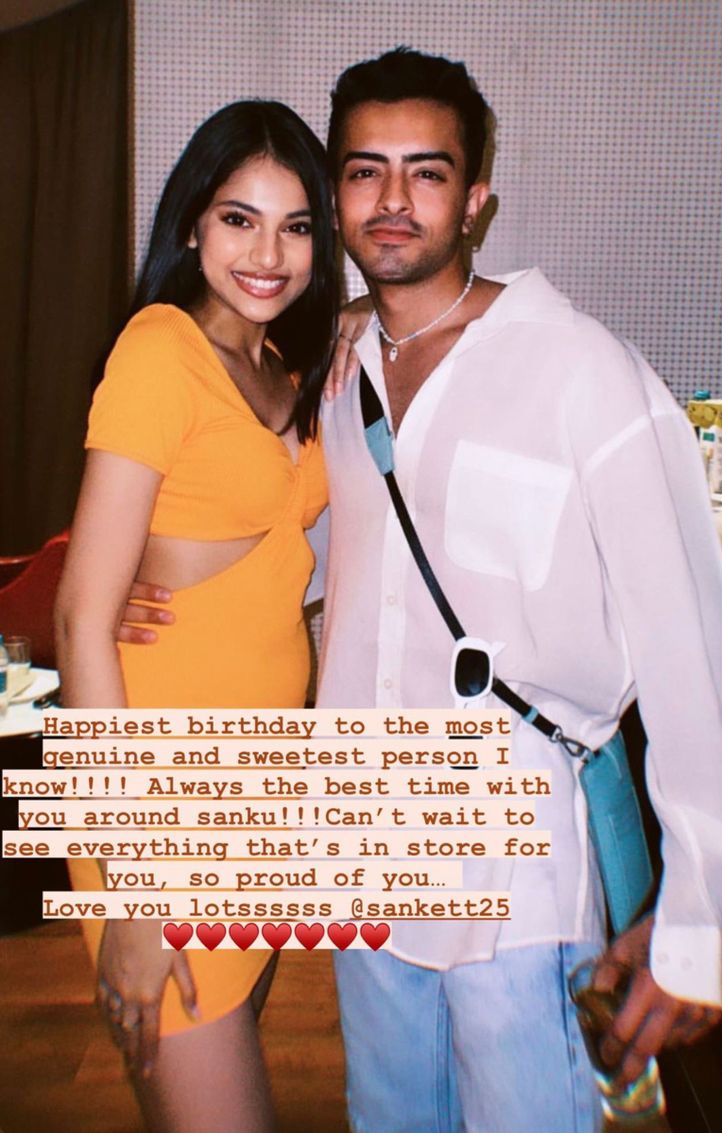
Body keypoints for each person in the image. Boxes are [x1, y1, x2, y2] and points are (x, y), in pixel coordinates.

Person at [124, 49, 722, 1133]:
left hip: (522, 872)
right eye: (363, 172)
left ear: (477, 199)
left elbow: (695, 651)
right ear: (334, 198)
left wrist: (700, 917)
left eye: (427, 172)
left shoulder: (582, 372)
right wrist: (139, 574)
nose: (393, 201)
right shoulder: (329, 369)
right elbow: (259, 528)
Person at [55, 99, 336, 1133]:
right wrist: (130, 898)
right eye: (238, 219)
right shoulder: (158, 350)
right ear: (189, 226)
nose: (268, 252)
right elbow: (85, 618)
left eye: (296, 226)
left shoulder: (284, 370)